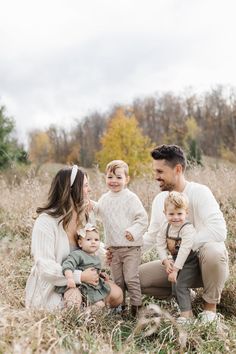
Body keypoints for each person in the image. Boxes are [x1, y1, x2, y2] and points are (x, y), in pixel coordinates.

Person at [139, 144, 229, 323]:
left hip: (205, 264)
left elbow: (219, 230)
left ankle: (209, 309)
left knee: (214, 251)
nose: (156, 177)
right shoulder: (159, 201)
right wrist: (122, 250)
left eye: (160, 171)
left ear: (178, 169)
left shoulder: (199, 192)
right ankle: (185, 295)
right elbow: (152, 235)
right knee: (136, 278)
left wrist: (183, 246)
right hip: (175, 265)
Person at [25, 165, 123, 311]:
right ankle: (86, 313)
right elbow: (44, 267)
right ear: (71, 190)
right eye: (85, 186)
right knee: (68, 306)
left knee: (117, 295)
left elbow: (91, 244)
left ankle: (90, 310)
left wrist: (103, 257)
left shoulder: (85, 215)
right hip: (56, 285)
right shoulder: (46, 221)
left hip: (85, 283)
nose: (89, 190)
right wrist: (80, 276)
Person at [95, 160, 148, 316]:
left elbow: (142, 218)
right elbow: (99, 211)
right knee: (118, 280)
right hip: (113, 248)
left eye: (119, 177)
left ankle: (136, 307)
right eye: (110, 177)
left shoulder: (130, 198)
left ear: (127, 179)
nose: (114, 181)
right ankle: (120, 307)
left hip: (131, 247)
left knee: (131, 278)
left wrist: (133, 231)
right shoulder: (105, 198)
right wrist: (90, 204)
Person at [157, 191, 201, 323]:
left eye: (179, 213)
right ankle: (188, 299)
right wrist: (165, 260)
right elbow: (159, 244)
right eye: (171, 214)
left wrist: (175, 270)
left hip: (190, 261)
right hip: (175, 260)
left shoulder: (187, 229)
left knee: (181, 285)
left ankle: (187, 315)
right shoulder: (165, 227)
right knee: (174, 287)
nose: (175, 217)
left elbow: (184, 250)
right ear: (165, 213)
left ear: (186, 213)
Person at [55, 223, 111, 309]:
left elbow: (94, 270)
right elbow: (68, 265)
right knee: (73, 299)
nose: (93, 242)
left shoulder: (96, 258)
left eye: (96, 240)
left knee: (100, 305)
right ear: (80, 243)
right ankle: (73, 313)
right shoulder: (78, 255)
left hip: (90, 289)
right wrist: (70, 278)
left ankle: (86, 314)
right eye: (88, 239)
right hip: (77, 285)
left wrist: (101, 275)